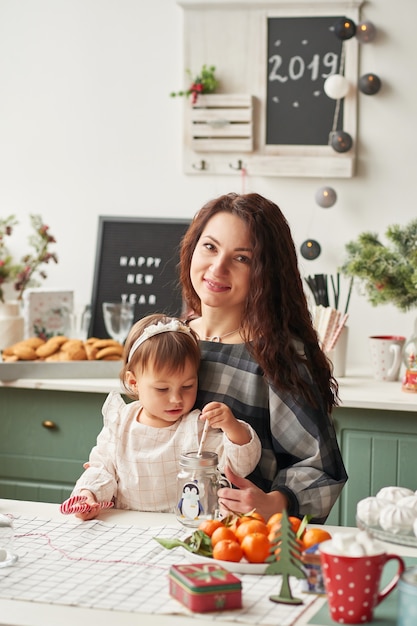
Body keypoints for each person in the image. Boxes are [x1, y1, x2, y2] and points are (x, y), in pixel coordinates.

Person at [179, 192, 348, 524]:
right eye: (210, 247)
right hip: (150, 528)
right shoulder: (167, 338)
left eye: (242, 258)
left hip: (241, 541)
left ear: (266, 273)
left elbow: (320, 468)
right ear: (192, 248)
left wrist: (274, 502)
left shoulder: (278, 357)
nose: (218, 267)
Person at [65, 313, 261, 521]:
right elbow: (102, 469)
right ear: (134, 383)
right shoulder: (120, 421)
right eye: (162, 389)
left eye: (187, 386)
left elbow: (238, 466)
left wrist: (232, 427)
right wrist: (88, 494)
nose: (176, 399)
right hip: (125, 523)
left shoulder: (195, 427)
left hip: (181, 526)